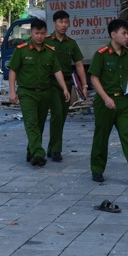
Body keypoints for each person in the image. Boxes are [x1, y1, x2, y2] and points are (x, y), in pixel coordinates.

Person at [89, 18, 128, 186]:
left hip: (124, 102)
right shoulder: (101, 54)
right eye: (124, 33)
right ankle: (97, 169)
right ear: (113, 34)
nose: (127, 37)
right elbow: (94, 78)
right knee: (101, 137)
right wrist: (105, 98)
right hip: (105, 102)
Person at [8, 18, 70, 167]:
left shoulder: (49, 51)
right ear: (31, 33)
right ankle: (39, 154)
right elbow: (13, 70)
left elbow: (57, 71)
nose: (39, 36)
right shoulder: (21, 50)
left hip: (45, 93)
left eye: (42, 33)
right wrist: (12, 92)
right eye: (37, 33)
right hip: (27, 93)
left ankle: (31, 152)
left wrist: (65, 88)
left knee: (40, 124)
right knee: (31, 123)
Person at [45, 10, 87, 162]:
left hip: (67, 83)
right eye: (61, 22)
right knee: (56, 113)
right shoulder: (46, 41)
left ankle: (51, 148)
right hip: (51, 83)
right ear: (54, 23)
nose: (64, 25)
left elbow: (79, 65)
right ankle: (56, 150)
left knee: (62, 116)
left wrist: (84, 85)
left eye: (66, 22)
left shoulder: (71, 43)